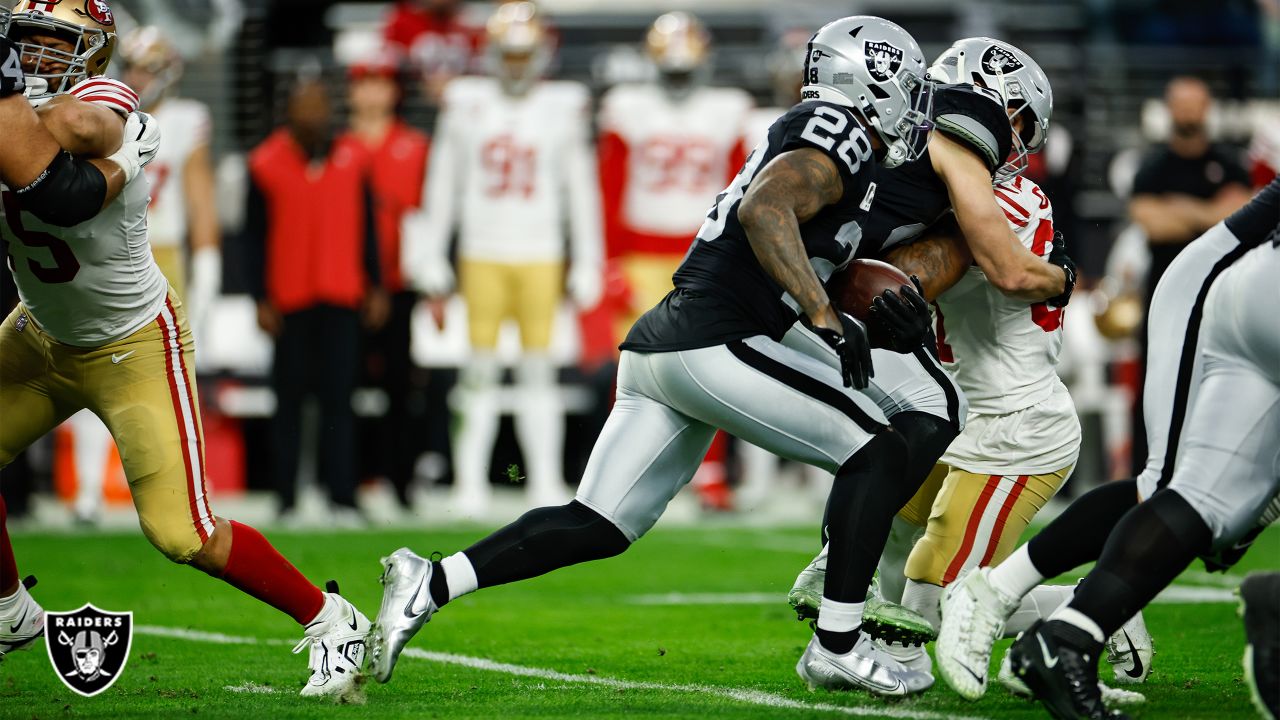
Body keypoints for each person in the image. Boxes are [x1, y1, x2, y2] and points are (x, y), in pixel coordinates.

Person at [370, 15, 939, 696]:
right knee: (875, 451)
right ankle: (838, 643)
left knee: (599, 523)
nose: (914, 102)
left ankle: (430, 581)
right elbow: (766, 208)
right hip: (714, 337)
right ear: (868, 83)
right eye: (905, 85)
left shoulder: (849, 150)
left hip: (666, 345)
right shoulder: (838, 125)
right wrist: (822, 314)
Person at [0, 4, 368, 696]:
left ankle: (331, 618)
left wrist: (18, 118)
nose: (42, 55)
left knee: (182, 532)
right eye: (31, 40)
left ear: (96, 53)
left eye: (60, 41)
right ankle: (9, 611)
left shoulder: (98, 96)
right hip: (39, 329)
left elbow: (84, 129)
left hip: (131, 341)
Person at [936, 180, 1280, 719]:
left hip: (1245, 286)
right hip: (1220, 281)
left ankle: (1061, 632)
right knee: (1169, 491)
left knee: (1200, 509)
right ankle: (1004, 597)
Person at [786, 37, 1076, 648]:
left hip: (1013, 422)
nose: (1019, 142)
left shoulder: (1005, 197)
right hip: (954, 404)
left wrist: (1062, 277)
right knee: (882, 534)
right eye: (1019, 121)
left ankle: (1097, 605)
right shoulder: (935, 170)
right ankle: (844, 625)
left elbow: (928, 273)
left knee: (930, 597)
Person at [402, 1, 602, 515]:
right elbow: (442, 182)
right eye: (508, 55)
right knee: (478, 373)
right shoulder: (468, 102)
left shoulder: (561, 104)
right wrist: (430, 251)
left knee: (540, 374)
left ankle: (545, 481)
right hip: (483, 250)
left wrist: (588, 258)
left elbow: (581, 188)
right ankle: (469, 482)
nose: (516, 65)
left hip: (539, 251)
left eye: (524, 54)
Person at [596, 11, 753, 510]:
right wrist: (610, 258)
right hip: (644, 249)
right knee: (634, 369)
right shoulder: (628, 107)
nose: (678, 80)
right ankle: (624, 468)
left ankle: (709, 473)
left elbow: (738, 187)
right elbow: (610, 184)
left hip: (702, 247)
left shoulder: (729, 110)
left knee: (713, 362)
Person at [70, 25, 222, 525]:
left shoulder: (184, 120)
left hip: (162, 251)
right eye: (132, 66)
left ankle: (190, 488)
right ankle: (89, 490)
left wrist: (208, 275)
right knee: (92, 367)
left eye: (148, 68)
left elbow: (200, 202)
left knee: (175, 379)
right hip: (107, 250)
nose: (138, 77)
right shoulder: (99, 113)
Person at [246, 77, 389, 527]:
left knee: (340, 401)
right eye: (305, 107)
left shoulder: (354, 158)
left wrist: (377, 285)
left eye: (320, 107)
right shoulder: (265, 162)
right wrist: (258, 297)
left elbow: (368, 227)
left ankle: (342, 497)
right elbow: (252, 237)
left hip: (341, 293)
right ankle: (286, 497)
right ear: (289, 111)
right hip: (289, 298)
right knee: (288, 401)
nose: (314, 116)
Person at [1127, 76, 1251, 472]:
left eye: (1195, 103)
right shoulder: (1152, 166)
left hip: (1221, 294)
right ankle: (1145, 471)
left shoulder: (1230, 164)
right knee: (1155, 382)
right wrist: (1210, 213)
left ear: (1207, 107)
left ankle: (1218, 472)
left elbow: (1243, 218)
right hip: (1164, 293)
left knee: (1223, 382)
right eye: (1180, 103)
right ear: (1168, 107)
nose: (1188, 111)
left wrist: (1178, 208)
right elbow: (1152, 224)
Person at [345, 49, 431, 512]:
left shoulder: (414, 146)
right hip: (349, 284)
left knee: (402, 388)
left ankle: (402, 482)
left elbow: (425, 215)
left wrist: (434, 281)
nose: (372, 92)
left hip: (401, 281)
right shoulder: (340, 147)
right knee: (348, 387)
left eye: (380, 82)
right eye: (364, 82)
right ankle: (351, 482)